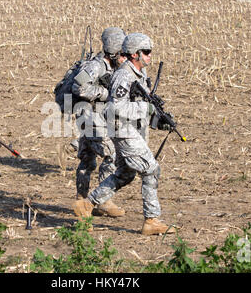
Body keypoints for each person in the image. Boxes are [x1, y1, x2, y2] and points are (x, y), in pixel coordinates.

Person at [72, 33, 176, 235]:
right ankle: (151, 220)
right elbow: (116, 108)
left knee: (126, 174)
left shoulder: (138, 74)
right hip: (122, 130)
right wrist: (145, 109)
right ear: (135, 54)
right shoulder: (124, 75)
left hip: (129, 129)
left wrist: (158, 120)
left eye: (150, 52)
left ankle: (87, 205)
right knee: (151, 169)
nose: (149, 56)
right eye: (146, 52)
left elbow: (141, 105)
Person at [71, 27, 127, 217]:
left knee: (87, 159)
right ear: (114, 52)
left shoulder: (111, 66)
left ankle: (81, 200)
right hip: (89, 117)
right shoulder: (95, 66)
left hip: (91, 117)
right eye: (122, 54)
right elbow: (78, 87)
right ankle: (102, 201)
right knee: (111, 154)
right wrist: (106, 94)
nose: (125, 58)